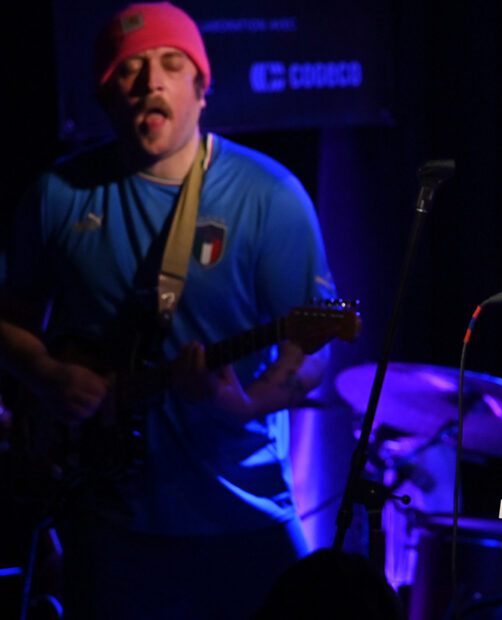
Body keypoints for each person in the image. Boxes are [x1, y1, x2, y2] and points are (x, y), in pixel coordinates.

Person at [0, 3, 337, 618]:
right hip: (104, 514)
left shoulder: (270, 196)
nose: (151, 81)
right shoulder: (58, 195)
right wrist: (48, 377)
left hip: (241, 511)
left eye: (171, 64)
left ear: (202, 89)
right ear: (105, 96)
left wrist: (241, 402)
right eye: (131, 68)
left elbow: (312, 354)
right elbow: (8, 323)